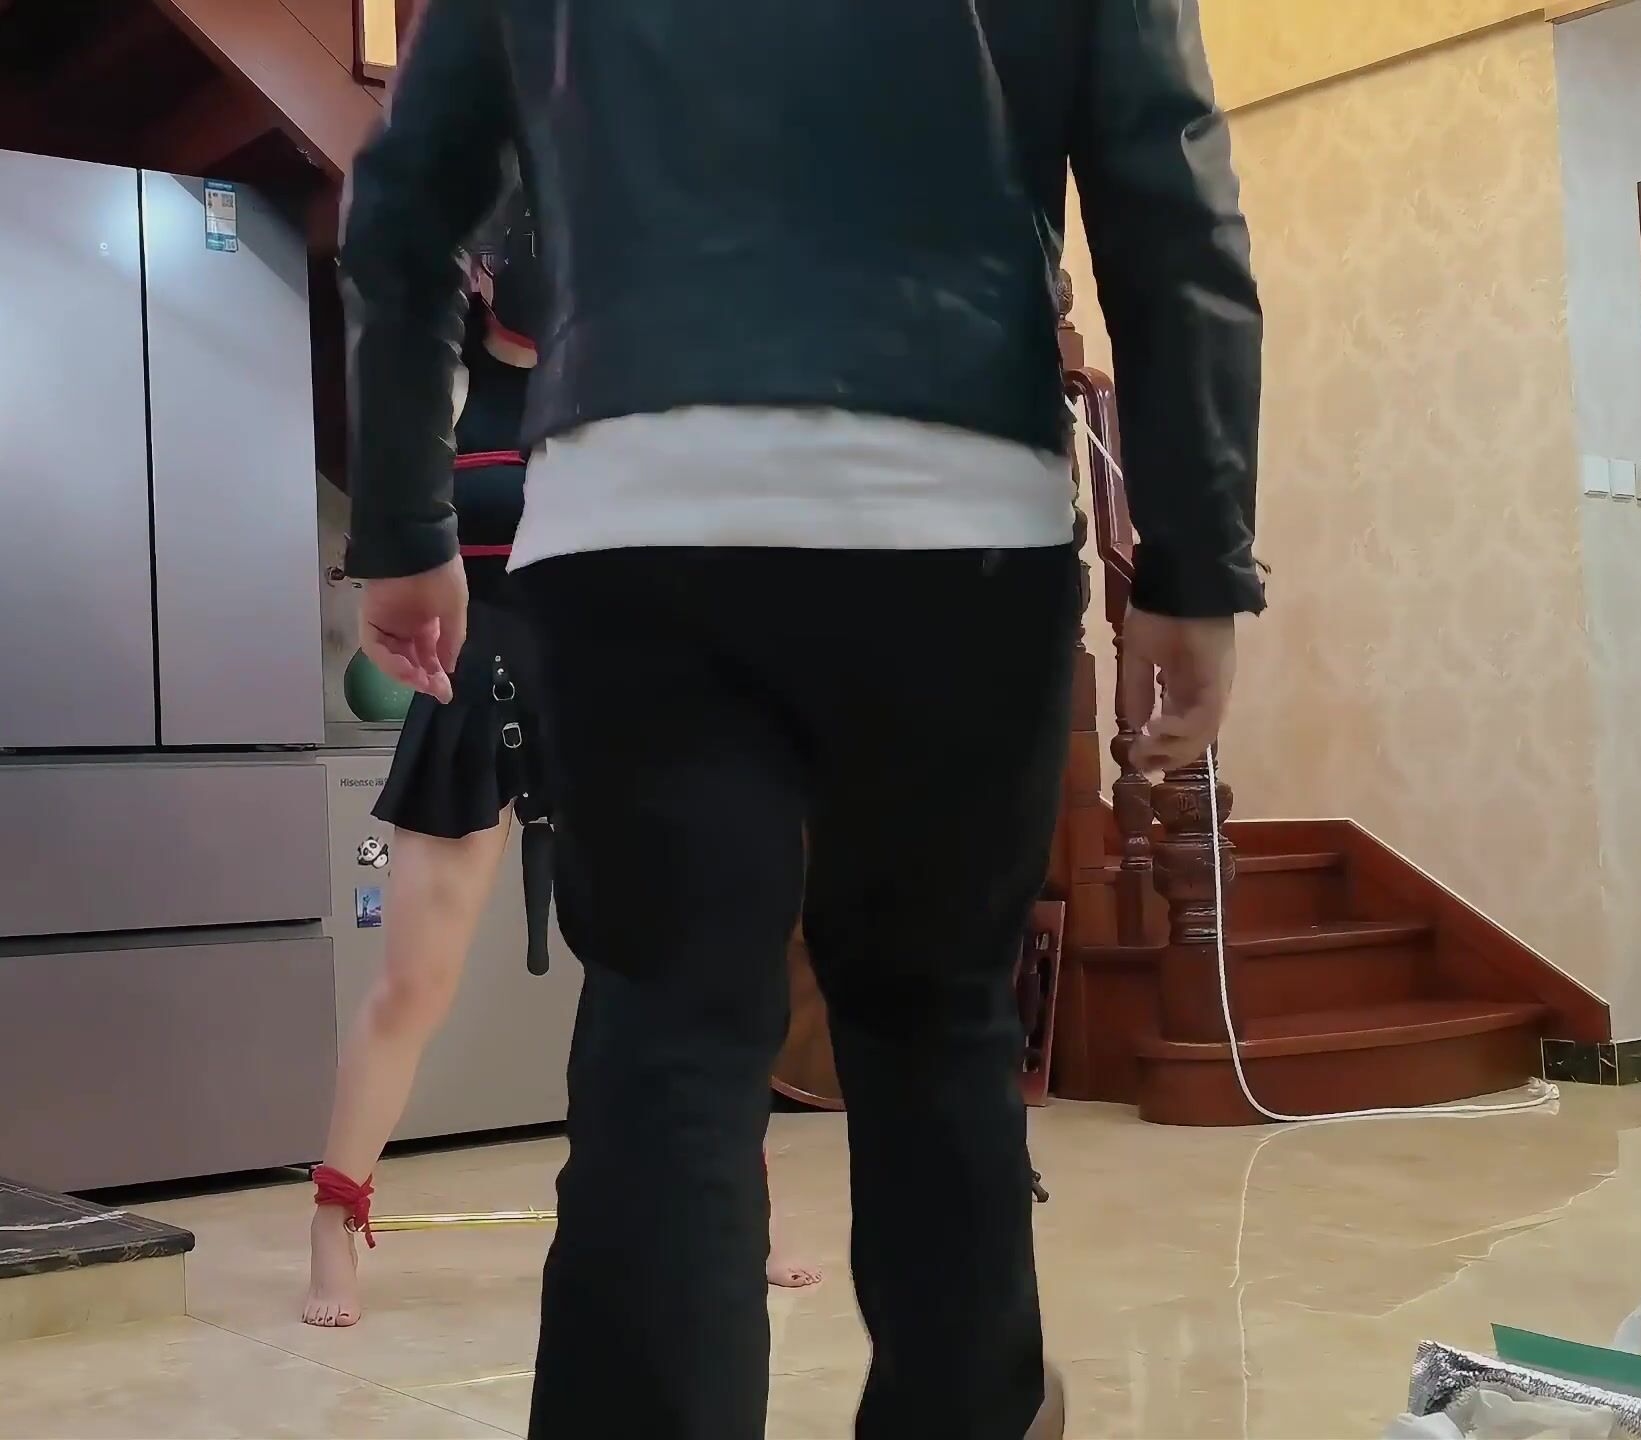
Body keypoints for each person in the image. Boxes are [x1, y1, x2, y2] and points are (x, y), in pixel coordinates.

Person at [337, 3, 1262, 1437]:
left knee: (667, 1029)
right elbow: (1168, 191)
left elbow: (408, 198)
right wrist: (1195, 558)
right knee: (935, 1021)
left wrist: (405, 520)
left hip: (635, 504)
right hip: (957, 505)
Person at [304, 194, 821, 1329]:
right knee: (412, 984)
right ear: (481, 273)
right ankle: (334, 1224)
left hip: (619, 698)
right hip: (472, 692)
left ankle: (744, 1212)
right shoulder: (440, 390)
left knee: (683, 980)